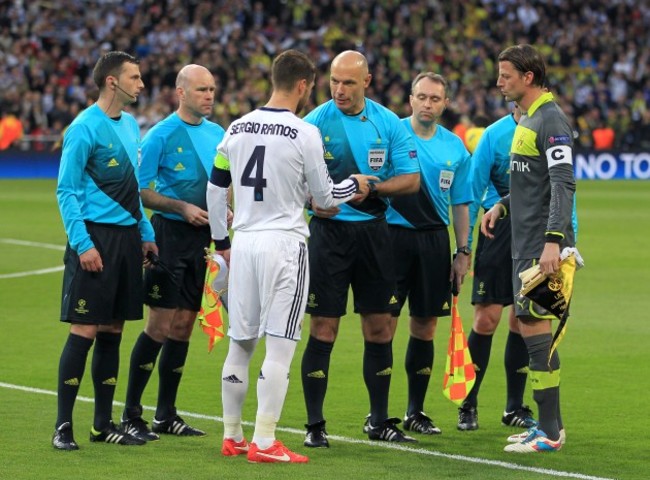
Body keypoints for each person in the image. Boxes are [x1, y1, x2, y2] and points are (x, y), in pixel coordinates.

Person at [207, 49, 377, 464]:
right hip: (285, 244)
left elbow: (215, 190)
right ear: (304, 86)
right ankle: (265, 441)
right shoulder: (304, 133)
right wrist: (354, 184)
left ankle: (232, 435)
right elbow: (324, 198)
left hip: (243, 242)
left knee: (241, 342)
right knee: (280, 347)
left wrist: (220, 241)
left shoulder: (236, 128)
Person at [300, 50, 420, 448]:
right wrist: (310, 201)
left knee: (380, 326)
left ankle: (379, 420)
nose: (339, 89)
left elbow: (411, 180)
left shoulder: (387, 123)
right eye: (334, 80)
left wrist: (374, 188)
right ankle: (315, 425)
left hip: (374, 233)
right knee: (324, 327)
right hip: (329, 235)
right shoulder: (314, 123)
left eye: (349, 82)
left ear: (366, 82)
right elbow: (292, 179)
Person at [52, 51, 156, 450]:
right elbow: (66, 190)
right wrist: (82, 244)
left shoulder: (131, 126)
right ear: (112, 82)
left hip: (128, 239)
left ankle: (102, 423)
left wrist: (145, 232)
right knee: (85, 329)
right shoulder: (83, 129)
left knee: (114, 329)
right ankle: (63, 426)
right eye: (134, 77)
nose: (141, 84)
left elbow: (132, 191)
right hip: (94, 238)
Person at [120, 64, 226, 441]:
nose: (209, 96)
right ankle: (132, 413)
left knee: (183, 326)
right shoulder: (161, 134)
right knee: (160, 325)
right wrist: (181, 207)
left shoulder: (218, 134)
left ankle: (166, 414)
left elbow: (223, 186)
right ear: (181, 92)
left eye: (212, 89)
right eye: (201, 90)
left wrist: (225, 207)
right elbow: (141, 190)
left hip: (202, 240)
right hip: (168, 235)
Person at [481, 44, 576, 453]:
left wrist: (554, 241)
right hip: (525, 243)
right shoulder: (529, 119)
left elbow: (563, 183)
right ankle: (545, 425)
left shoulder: (551, 119)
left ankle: (550, 433)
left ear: (528, 77)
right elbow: (529, 182)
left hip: (542, 247)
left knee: (538, 337)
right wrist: (501, 206)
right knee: (531, 333)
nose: (499, 81)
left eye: (505, 75)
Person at [386, 72, 472, 436]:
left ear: (445, 103)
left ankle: (415, 412)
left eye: (435, 99)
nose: (427, 104)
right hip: (391, 238)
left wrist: (463, 251)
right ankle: (378, 413)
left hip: (434, 243)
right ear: (410, 99)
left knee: (425, 326)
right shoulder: (391, 134)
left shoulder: (455, 148)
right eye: (421, 97)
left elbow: (461, 204)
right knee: (382, 326)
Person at [458, 104, 537, 432]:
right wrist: (466, 247)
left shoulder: (547, 131)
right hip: (496, 228)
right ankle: (468, 403)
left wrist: (568, 238)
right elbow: (473, 191)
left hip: (533, 230)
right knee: (486, 318)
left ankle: (514, 407)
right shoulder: (494, 135)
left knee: (522, 318)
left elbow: (564, 188)